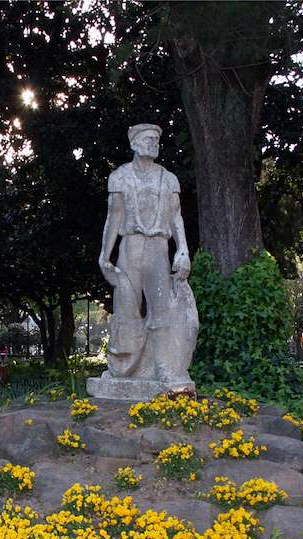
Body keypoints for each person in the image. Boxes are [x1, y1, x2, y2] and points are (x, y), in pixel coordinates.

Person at [94, 122, 197, 393]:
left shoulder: (168, 179)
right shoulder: (120, 177)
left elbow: (176, 218)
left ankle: (164, 367)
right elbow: (113, 217)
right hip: (130, 246)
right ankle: (122, 368)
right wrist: (105, 256)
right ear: (134, 143)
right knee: (126, 308)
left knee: (161, 308)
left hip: (159, 248)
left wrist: (183, 250)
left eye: (156, 139)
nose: (154, 143)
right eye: (148, 138)